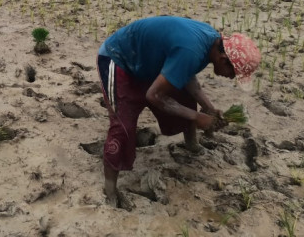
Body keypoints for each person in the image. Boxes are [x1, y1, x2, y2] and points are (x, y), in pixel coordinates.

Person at [97, 16, 261, 207]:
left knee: (184, 96)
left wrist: (208, 107)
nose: (231, 77)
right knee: (122, 128)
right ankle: (110, 190)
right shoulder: (192, 50)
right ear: (223, 59)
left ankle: (192, 144)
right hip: (118, 59)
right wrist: (197, 117)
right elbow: (154, 96)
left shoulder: (211, 42)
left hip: (147, 62)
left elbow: (187, 75)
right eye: (233, 73)